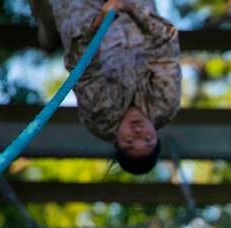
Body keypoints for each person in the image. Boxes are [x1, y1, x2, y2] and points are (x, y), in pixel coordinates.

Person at [29, 0, 180, 175]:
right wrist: (132, 8)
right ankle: (48, 29)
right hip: (134, 17)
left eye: (129, 142)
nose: (138, 131)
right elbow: (165, 43)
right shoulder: (165, 103)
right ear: (156, 135)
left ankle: (47, 25)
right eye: (148, 139)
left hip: (86, 23)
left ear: (116, 141)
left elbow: (82, 65)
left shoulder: (99, 115)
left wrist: (98, 22)